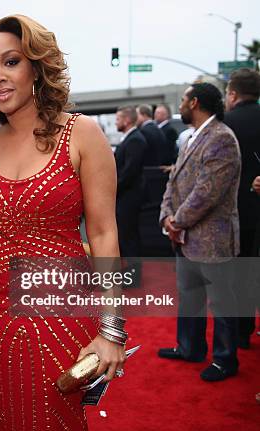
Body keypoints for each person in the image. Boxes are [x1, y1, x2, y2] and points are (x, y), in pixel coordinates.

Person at [0, 15, 126, 430]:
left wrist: (112, 329)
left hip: (63, 310)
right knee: (5, 414)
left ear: (36, 65)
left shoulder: (81, 134)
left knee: (55, 418)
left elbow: (104, 234)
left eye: (11, 62)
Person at [158, 83, 241, 382]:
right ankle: (190, 348)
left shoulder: (221, 138)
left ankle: (224, 359)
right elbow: (174, 183)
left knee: (221, 302)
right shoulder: (192, 137)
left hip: (212, 238)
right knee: (189, 296)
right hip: (184, 235)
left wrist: (176, 222)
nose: (180, 104)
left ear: (194, 102)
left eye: (182, 100)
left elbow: (208, 192)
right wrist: (166, 217)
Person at [223, 68, 260, 349]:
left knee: (235, 276)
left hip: (233, 212)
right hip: (254, 211)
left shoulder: (227, 124)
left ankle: (239, 332)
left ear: (233, 94)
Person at [114, 106, 148, 268]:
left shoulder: (135, 139)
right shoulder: (130, 138)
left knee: (129, 237)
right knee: (126, 236)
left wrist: (113, 189)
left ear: (127, 120)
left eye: (118, 119)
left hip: (129, 196)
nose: (116, 122)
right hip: (126, 196)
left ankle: (134, 275)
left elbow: (129, 172)